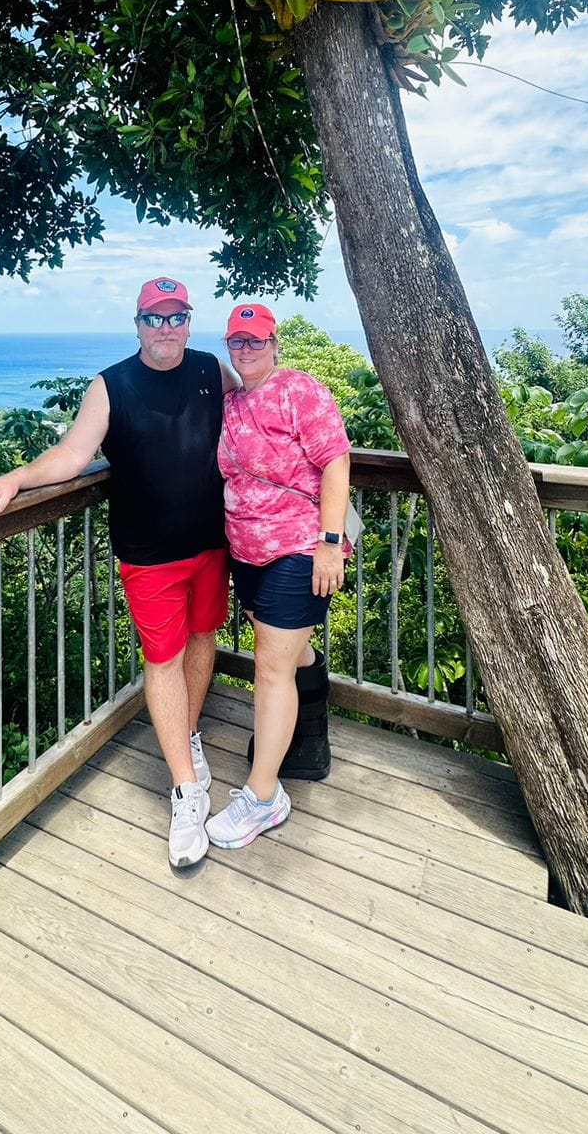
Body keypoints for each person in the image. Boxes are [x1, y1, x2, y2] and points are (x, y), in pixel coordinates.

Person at [0, 277, 238, 869]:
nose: (166, 328)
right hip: (149, 553)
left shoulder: (211, 368)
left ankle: (189, 736)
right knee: (162, 660)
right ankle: (185, 791)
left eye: (176, 316)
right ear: (137, 325)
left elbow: (251, 414)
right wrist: (16, 478)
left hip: (212, 542)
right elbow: (74, 455)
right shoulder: (112, 384)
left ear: (189, 322)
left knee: (204, 639)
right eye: (154, 319)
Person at [206, 303, 351, 850]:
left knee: (270, 668)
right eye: (237, 342)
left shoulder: (300, 389)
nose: (246, 349)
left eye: (256, 340)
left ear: (274, 342)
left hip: (298, 545)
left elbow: (336, 461)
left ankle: (263, 797)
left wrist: (330, 543)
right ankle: (306, 734)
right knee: (287, 657)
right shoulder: (232, 400)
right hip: (245, 548)